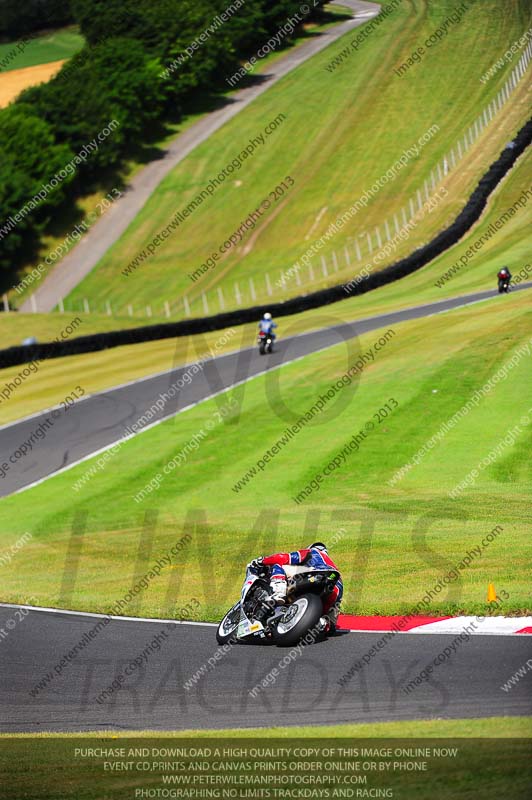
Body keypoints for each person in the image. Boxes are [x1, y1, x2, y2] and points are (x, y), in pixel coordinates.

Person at [251, 542, 343, 631]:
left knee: (278, 564)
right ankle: (323, 622)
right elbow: (336, 600)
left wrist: (262, 561)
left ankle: (279, 591)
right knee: (329, 624)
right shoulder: (336, 572)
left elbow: (283, 557)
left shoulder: (312, 552)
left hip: (316, 574)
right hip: (332, 590)